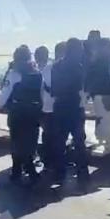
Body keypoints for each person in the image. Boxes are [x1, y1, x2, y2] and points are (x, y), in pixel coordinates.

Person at [0, 45, 43, 185]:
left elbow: (4, 95)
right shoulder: (37, 73)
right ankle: (30, 169)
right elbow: (42, 95)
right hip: (33, 113)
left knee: (17, 143)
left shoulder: (14, 74)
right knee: (30, 142)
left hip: (17, 113)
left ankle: (17, 171)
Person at [51, 38, 90, 186]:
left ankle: (59, 173)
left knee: (59, 142)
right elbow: (81, 87)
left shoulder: (56, 66)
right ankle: (83, 174)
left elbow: (54, 89)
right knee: (79, 142)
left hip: (60, 105)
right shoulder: (78, 66)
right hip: (74, 106)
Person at [39, 42, 66, 171]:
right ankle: (53, 164)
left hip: (50, 108)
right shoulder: (50, 69)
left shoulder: (48, 69)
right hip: (54, 108)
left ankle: (51, 163)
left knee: (52, 137)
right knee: (54, 137)